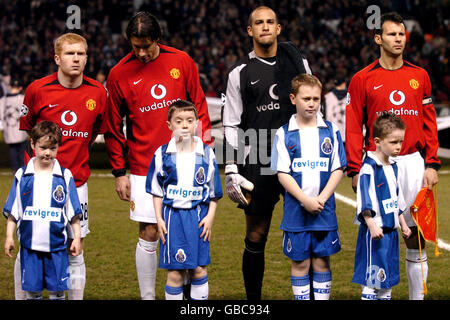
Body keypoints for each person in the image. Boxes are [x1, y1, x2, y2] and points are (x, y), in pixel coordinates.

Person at [104, 11, 213, 300]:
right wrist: (119, 172)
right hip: (143, 166)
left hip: (188, 161)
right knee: (151, 231)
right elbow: (114, 127)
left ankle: (189, 294)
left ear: (158, 39)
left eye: (146, 46)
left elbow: (199, 106)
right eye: (135, 46)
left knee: (191, 225)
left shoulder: (181, 61)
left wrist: (205, 148)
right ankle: (148, 296)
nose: (140, 52)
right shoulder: (118, 74)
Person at [345, 12, 440, 300]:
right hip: (378, 165)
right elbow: (352, 127)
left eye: (401, 34)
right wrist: (354, 169)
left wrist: (432, 162)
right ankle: (375, 293)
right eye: (391, 34)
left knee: (417, 238)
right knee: (379, 235)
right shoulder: (362, 79)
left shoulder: (419, 76)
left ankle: (416, 298)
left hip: (413, 162)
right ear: (378, 38)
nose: (398, 39)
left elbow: (429, 121)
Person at [222, 5, 312, 300]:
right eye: (258, 23)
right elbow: (232, 123)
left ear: (278, 28)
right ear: (250, 30)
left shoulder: (299, 63)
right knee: (256, 233)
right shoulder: (239, 73)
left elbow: (313, 108)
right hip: (258, 158)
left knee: (303, 233)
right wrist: (232, 167)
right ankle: (253, 303)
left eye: (270, 22)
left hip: (297, 157)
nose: (264, 27)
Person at [19, 32, 108, 300]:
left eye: (81, 54)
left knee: (75, 246)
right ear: (57, 58)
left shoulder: (97, 93)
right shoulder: (37, 89)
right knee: (29, 244)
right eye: (70, 53)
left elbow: (93, 134)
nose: (76, 59)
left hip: (76, 183)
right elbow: (27, 133)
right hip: (37, 183)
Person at [271, 74, 346, 300]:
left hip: (325, 210)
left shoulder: (331, 131)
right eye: (306, 99)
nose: (312, 103)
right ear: (293, 99)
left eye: (316, 98)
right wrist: (305, 200)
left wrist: (321, 198)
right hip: (296, 212)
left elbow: (338, 168)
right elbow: (282, 173)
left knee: (322, 261)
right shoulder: (284, 133)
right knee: (300, 262)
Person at [146, 100, 222, 300]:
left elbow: (214, 192)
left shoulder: (206, 154)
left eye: (190, 120)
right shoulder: (162, 155)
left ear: (197, 123)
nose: (185, 125)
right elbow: (156, 191)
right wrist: (159, 219)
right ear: (169, 125)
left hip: (199, 219)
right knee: (175, 273)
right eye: (179, 121)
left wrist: (210, 218)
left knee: (198, 269)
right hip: (173, 220)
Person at [3, 121, 82, 300]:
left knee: (58, 292)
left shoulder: (64, 175)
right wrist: (9, 237)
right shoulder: (22, 176)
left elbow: (74, 214)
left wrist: (76, 238)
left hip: (57, 248)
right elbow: (13, 212)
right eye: (43, 147)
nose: (48, 152)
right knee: (33, 292)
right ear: (32, 144)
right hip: (30, 248)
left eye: (53, 148)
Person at [352, 113, 412, 300]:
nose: (398, 147)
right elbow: (363, 198)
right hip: (375, 234)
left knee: (387, 281)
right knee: (372, 281)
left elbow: (397, 200)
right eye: (394, 142)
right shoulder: (370, 167)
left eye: (400, 142)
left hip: (392, 234)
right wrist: (371, 224)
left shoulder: (393, 166)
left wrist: (403, 224)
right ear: (377, 141)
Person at [0, 78, 28, 172]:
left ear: (10, 86)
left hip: (9, 129)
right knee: (22, 150)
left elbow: (1, 115)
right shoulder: (22, 98)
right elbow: (26, 113)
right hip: (20, 129)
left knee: (12, 149)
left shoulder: (2, 100)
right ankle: (22, 168)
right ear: (20, 88)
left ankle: (15, 169)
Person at [323, 76, 347, 143]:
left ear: (334, 84)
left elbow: (324, 116)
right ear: (344, 84)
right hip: (348, 134)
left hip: (332, 133)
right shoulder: (351, 97)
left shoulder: (327, 97)